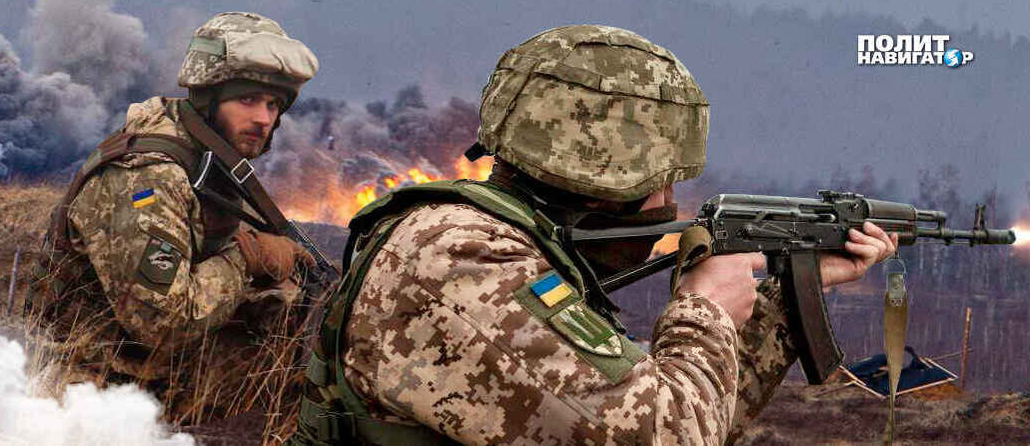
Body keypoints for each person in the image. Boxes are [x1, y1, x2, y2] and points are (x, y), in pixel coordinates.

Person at [289, 25, 898, 445]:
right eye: (660, 182)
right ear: (602, 179)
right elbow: (664, 438)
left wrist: (786, 300)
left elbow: (688, 415)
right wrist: (704, 309)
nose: (669, 204)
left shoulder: (498, 247)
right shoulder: (461, 258)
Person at [28, 12, 319, 423]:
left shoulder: (205, 159)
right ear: (208, 99)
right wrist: (246, 260)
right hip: (94, 389)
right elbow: (161, 322)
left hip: (148, 367)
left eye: (273, 104)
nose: (263, 119)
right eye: (247, 100)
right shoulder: (149, 175)